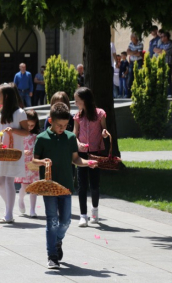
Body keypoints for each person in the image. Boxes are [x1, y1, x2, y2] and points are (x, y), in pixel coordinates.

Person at [33, 102, 98, 269]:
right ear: (50, 121)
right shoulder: (41, 138)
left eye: (65, 125)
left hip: (66, 185)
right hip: (49, 186)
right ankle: (52, 256)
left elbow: (75, 159)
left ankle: (58, 240)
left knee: (66, 221)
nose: (62, 128)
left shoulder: (70, 138)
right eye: (59, 125)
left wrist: (87, 162)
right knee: (51, 221)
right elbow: (34, 160)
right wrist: (42, 161)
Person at [0, 84, 30, 224]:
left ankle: (8, 214)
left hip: (14, 151)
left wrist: (13, 130)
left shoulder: (20, 113)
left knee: (9, 180)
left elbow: (26, 131)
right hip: (1, 151)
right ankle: (10, 207)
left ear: (6, 96)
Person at [73, 87, 110, 227]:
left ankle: (94, 211)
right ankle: (83, 216)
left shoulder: (100, 113)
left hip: (96, 153)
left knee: (94, 185)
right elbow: (74, 134)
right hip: (82, 154)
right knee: (82, 186)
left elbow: (104, 130)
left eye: (77, 100)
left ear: (85, 100)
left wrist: (105, 133)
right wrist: (78, 144)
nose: (76, 103)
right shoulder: (77, 116)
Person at [15, 109, 40, 218]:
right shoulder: (20, 134)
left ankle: (33, 210)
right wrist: (22, 152)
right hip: (24, 164)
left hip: (33, 164)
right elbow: (16, 147)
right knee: (24, 186)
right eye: (28, 125)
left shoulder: (36, 136)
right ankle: (20, 199)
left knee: (34, 187)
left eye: (32, 125)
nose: (30, 127)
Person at [154, 30, 172, 97]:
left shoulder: (171, 43)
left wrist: (160, 51)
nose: (161, 38)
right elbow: (155, 49)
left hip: (168, 62)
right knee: (161, 78)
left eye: (162, 36)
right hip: (161, 62)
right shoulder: (161, 44)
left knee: (168, 77)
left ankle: (169, 93)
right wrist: (160, 51)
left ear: (166, 37)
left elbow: (165, 52)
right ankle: (163, 92)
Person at [127, 33, 144, 97]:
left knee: (138, 76)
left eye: (131, 37)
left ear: (135, 38)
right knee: (130, 77)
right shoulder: (130, 44)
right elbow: (127, 52)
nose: (130, 39)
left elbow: (139, 54)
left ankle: (138, 91)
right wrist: (134, 52)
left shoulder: (140, 44)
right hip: (132, 62)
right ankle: (129, 93)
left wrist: (132, 52)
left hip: (138, 61)